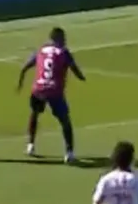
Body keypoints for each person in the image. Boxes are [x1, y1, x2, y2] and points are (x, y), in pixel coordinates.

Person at [18, 27, 87, 163]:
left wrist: (20, 83)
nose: (65, 41)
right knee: (65, 121)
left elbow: (24, 67)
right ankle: (69, 152)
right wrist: (82, 78)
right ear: (58, 39)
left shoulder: (40, 50)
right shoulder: (63, 52)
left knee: (34, 114)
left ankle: (30, 145)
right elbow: (75, 69)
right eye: (63, 39)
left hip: (38, 89)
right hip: (54, 91)